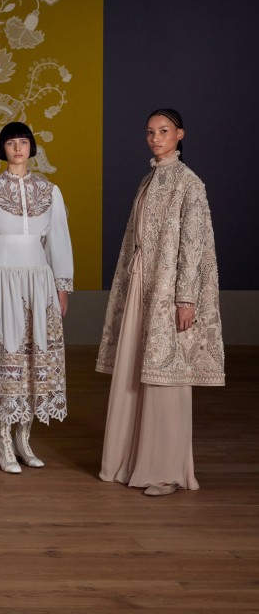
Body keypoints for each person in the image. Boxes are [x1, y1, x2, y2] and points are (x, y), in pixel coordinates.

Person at [98, 108, 224, 496]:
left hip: (169, 291)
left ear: (180, 135)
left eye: (164, 131)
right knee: (138, 370)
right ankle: (128, 460)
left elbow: (194, 244)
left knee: (166, 375)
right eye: (150, 131)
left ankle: (165, 469)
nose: (155, 138)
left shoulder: (190, 183)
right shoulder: (149, 179)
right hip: (141, 284)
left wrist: (186, 298)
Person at [0, 121, 73, 474]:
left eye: (23, 142)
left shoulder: (50, 190)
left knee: (32, 360)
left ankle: (24, 441)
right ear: (3, 148)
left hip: (38, 282)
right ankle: (3, 443)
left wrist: (61, 287)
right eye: (11, 142)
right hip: (2, 281)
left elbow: (58, 240)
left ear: (31, 147)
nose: (17, 148)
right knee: (6, 357)